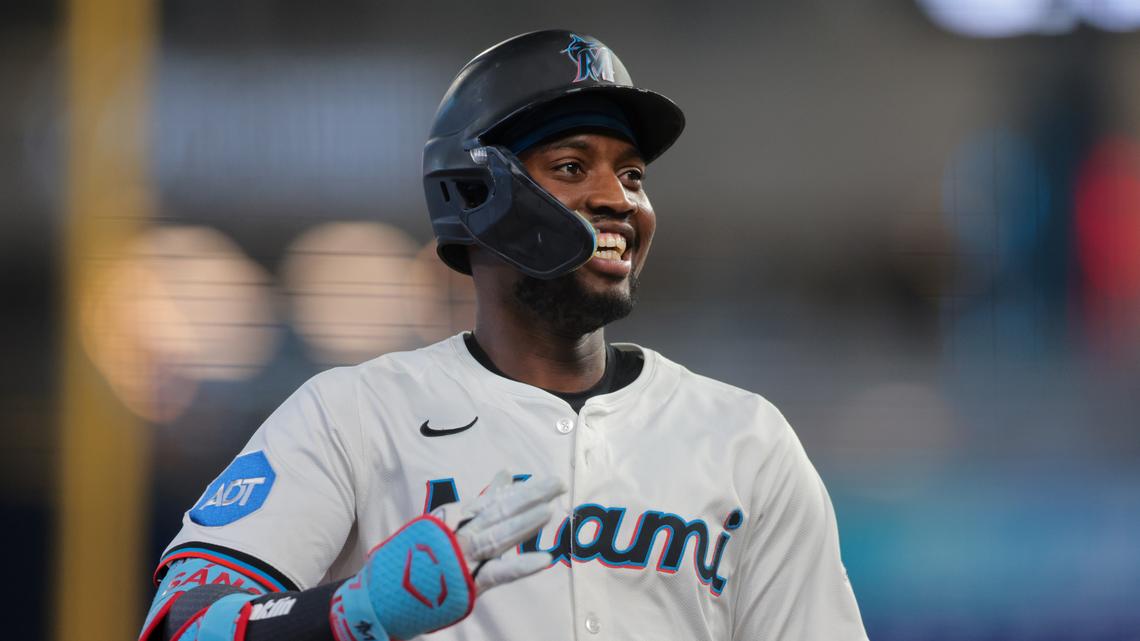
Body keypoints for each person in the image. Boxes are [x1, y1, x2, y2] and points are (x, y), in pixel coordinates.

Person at [139, 29, 868, 641]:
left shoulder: (745, 438)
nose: (619, 199)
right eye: (572, 166)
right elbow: (181, 623)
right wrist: (355, 612)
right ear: (476, 193)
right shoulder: (354, 415)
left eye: (635, 174)